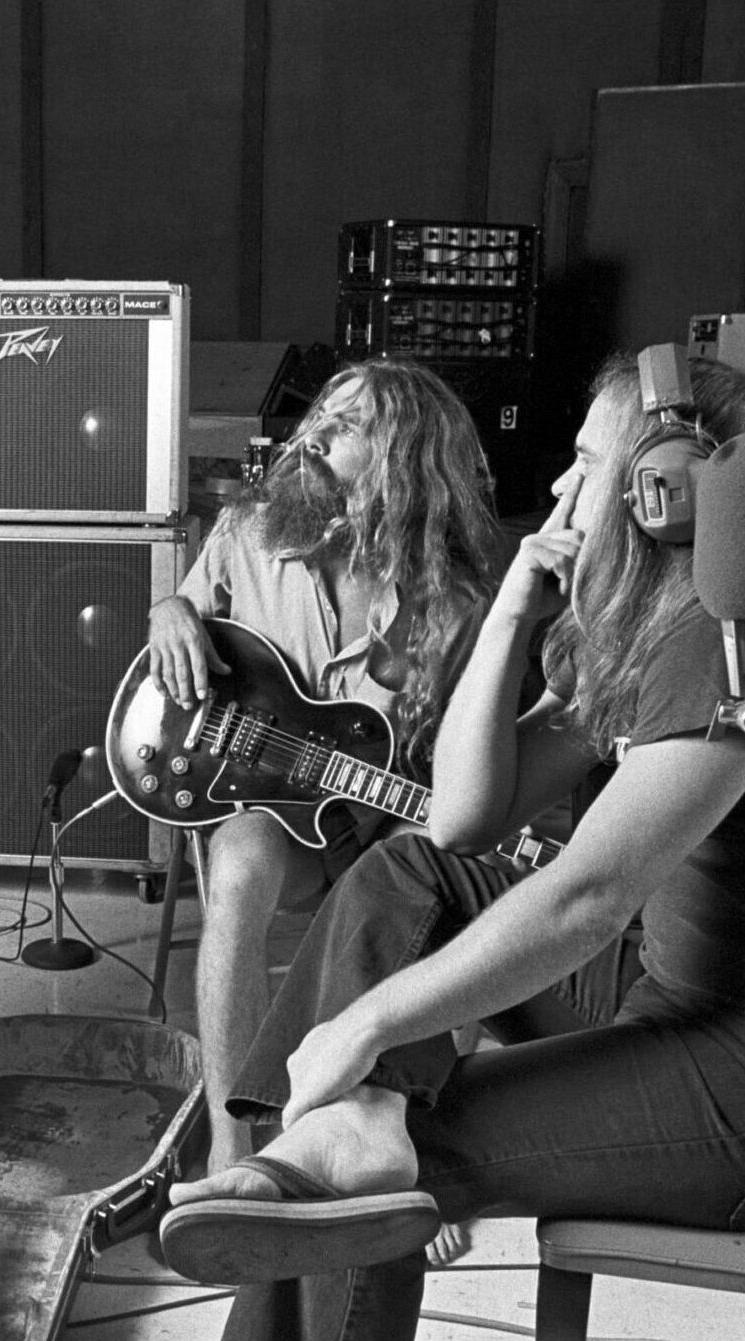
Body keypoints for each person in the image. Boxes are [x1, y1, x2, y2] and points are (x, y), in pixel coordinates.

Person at [164, 353, 745, 1341]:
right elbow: (461, 821)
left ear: (665, 489)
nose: (562, 488)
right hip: (672, 991)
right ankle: (342, 1127)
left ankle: (329, 1146)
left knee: (375, 1165)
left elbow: (589, 898)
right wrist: (510, 616)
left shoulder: (740, 632)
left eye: (585, 462)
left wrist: (364, 1027)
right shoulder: (652, 617)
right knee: (410, 874)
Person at [143, 357, 506, 1179]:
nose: (311, 437)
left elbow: (463, 774)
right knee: (239, 863)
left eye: (345, 428)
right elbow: (187, 614)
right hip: (272, 818)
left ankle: (401, 1132)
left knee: (433, 873)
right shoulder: (249, 534)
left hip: (382, 825)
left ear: (401, 461)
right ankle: (231, 1146)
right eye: (318, 419)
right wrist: (167, 611)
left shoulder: (452, 607)